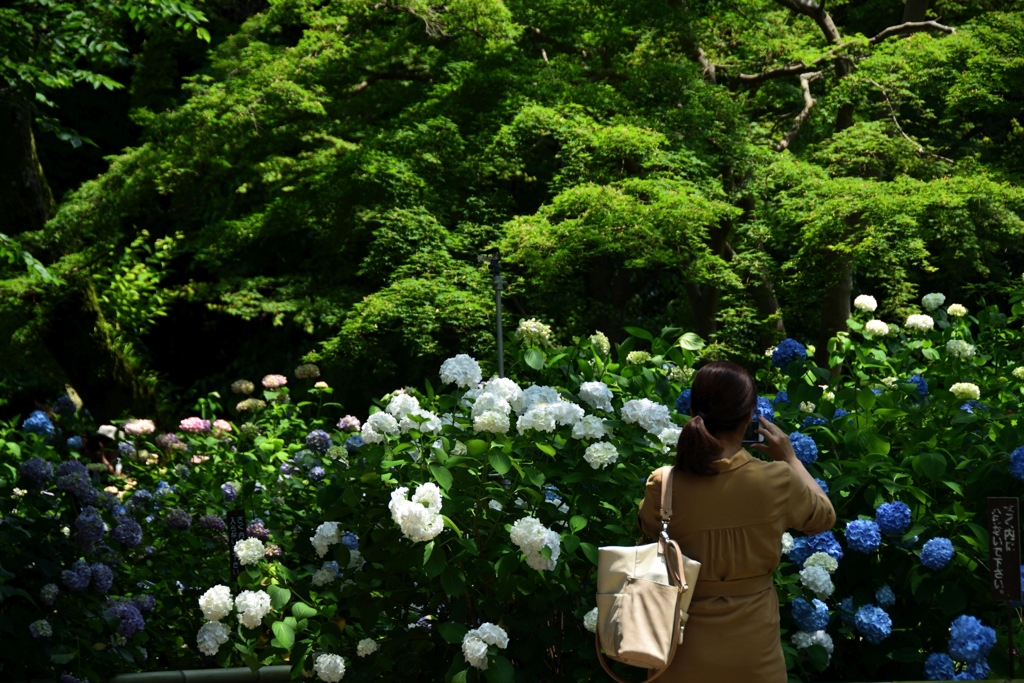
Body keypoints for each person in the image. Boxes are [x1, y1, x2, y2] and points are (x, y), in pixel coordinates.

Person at [637, 361, 835, 683]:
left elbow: (647, 527)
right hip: (755, 655)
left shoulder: (665, 484)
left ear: (692, 411)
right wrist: (791, 458)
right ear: (750, 417)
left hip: (676, 649)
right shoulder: (777, 480)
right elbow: (824, 516)